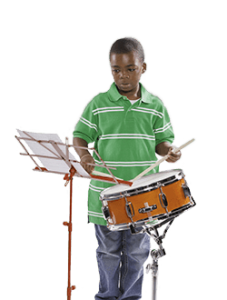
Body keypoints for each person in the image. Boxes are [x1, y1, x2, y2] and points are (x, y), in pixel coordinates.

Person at [72, 35, 181, 300]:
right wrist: (85, 155)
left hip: (143, 197)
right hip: (105, 195)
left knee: (136, 252)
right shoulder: (97, 103)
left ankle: (131, 297)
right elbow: (80, 136)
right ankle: (106, 296)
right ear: (110, 68)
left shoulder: (156, 105)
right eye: (116, 69)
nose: (123, 76)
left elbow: (162, 143)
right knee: (107, 251)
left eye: (130, 69)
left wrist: (170, 152)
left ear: (143, 67)